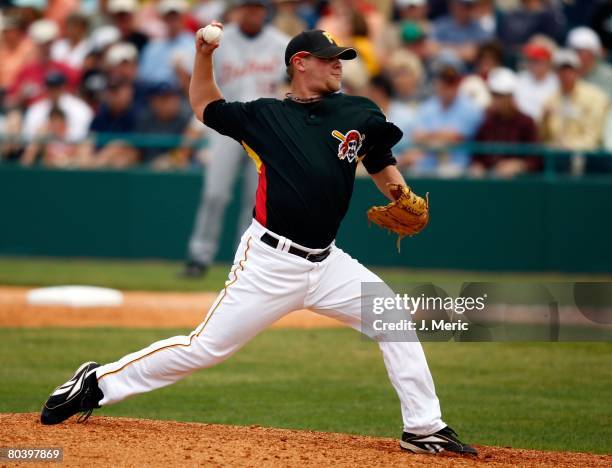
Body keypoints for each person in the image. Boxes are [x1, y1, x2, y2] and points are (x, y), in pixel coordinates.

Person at [40, 26, 477, 457]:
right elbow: (204, 104)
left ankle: (423, 428)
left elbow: (380, 160)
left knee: (393, 318)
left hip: (329, 264)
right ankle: (96, 384)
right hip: (270, 261)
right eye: (329, 58)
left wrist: (401, 194)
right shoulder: (264, 116)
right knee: (204, 348)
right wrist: (204, 55)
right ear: (299, 63)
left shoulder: (359, 112)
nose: (338, 65)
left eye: (341, 58)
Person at [182, 0, 289, 277]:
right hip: (225, 128)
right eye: (247, 6)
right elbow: (187, 69)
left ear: (265, 11)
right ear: (238, 9)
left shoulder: (281, 43)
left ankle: (245, 261)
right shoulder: (221, 39)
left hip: (265, 131)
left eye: (257, 7)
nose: (252, 12)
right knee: (214, 194)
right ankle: (198, 256)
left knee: (256, 202)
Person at [406, 52, 483, 176]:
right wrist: (440, 136)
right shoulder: (427, 107)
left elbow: (455, 137)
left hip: (460, 168)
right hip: (426, 166)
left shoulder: (471, 108)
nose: (447, 86)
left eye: (451, 81)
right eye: (443, 80)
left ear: (459, 82)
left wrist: (430, 137)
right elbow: (417, 136)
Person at [471, 67, 540, 178]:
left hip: (518, 186)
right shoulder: (487, 122)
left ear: (510, 97)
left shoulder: (526, 123)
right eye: (494, 94)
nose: (496, 99)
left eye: (500, 95)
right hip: (489, 184)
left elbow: (535, 159)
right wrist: (477, 166)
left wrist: (518, 165)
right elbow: (477, 155)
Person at [514, 40, 558, 122]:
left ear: (548, 62)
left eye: (537, 61)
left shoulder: (556, 82)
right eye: (531, 60)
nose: (533, 64)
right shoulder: (520, 78)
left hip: (546, 126)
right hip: (523, 126)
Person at [566, 26, 612, 100]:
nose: (579, 57)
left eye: (582, 52)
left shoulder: (609, 76)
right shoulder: (564, 73)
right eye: (576, 51)